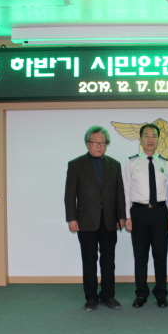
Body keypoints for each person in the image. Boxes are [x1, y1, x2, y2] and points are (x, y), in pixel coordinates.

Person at [64, 126, 126, 311]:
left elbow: (120, 193)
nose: (99, 146)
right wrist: (71, 218)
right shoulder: (76, 165)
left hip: (109, 220)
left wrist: (121, 216)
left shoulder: (114, 164)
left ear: (106, 144)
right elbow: (70, 195)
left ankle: (108, 296)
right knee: (89, 260)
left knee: (108, 261)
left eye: (102, 142)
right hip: (86, 220)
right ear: (87, 144)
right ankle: (91, 298)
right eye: (95, 142)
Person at [124, 124, 168, 308]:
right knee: (140, 256)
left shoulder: (164, 163)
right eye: (146, 136)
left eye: (154, 136)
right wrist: (127, 216)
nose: (150, 139)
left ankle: (161, 293)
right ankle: (141, 294)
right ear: (140, 139)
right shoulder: (131, 162)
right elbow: (126, 190)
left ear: (158, 140)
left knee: (160, 255)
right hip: (138, 212)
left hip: (160, 212)